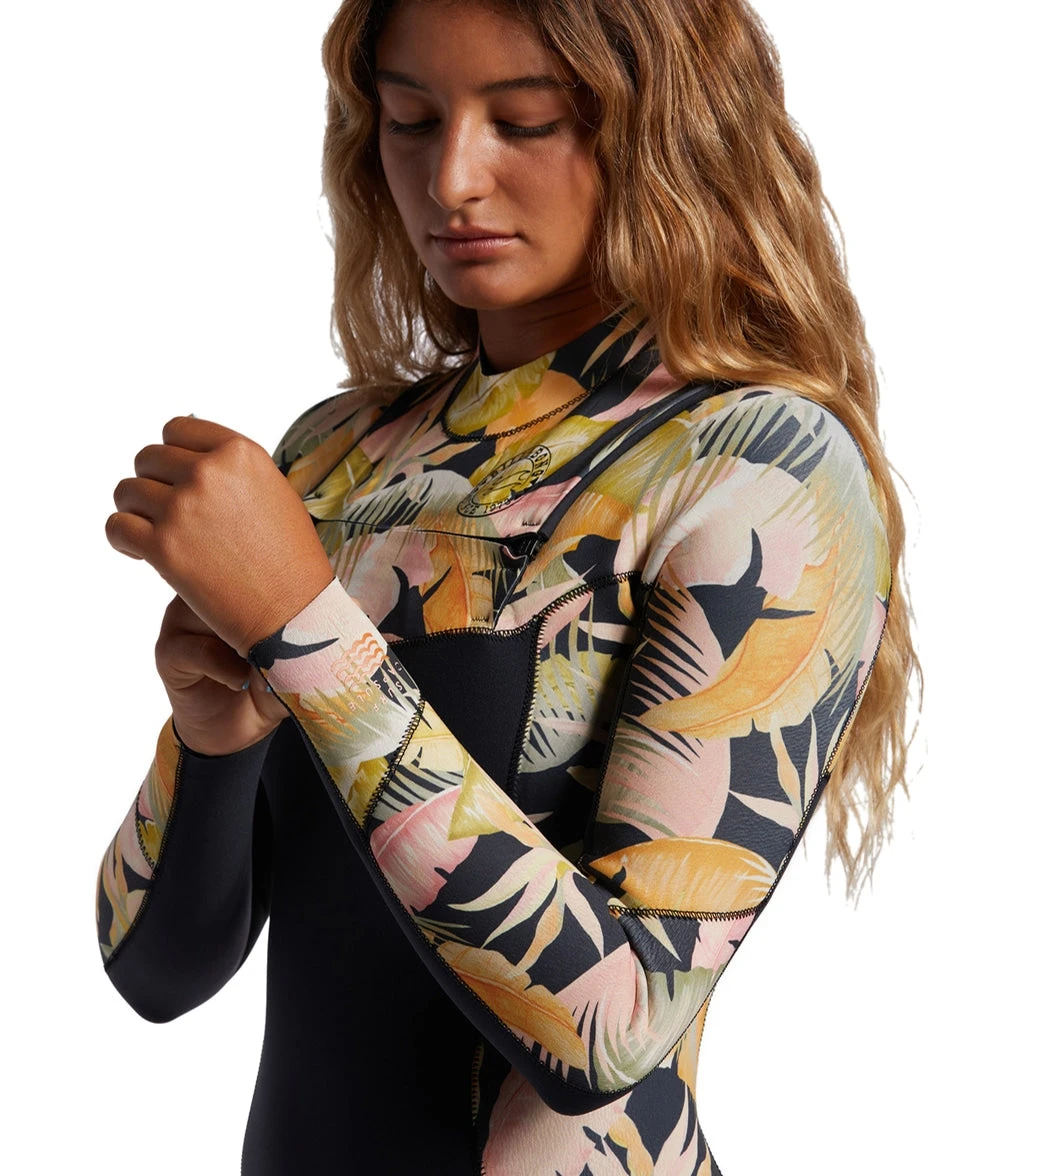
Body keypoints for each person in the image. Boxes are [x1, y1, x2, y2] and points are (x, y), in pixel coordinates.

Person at [94, 0, 918, 1172]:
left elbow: (612, 1029)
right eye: (411, 120)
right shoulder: (338, 457)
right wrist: (210, 744)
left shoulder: (757, 469)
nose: (452, 179)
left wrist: (306, 630)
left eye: (524, 121)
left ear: (667, 128)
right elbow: (155, 973)